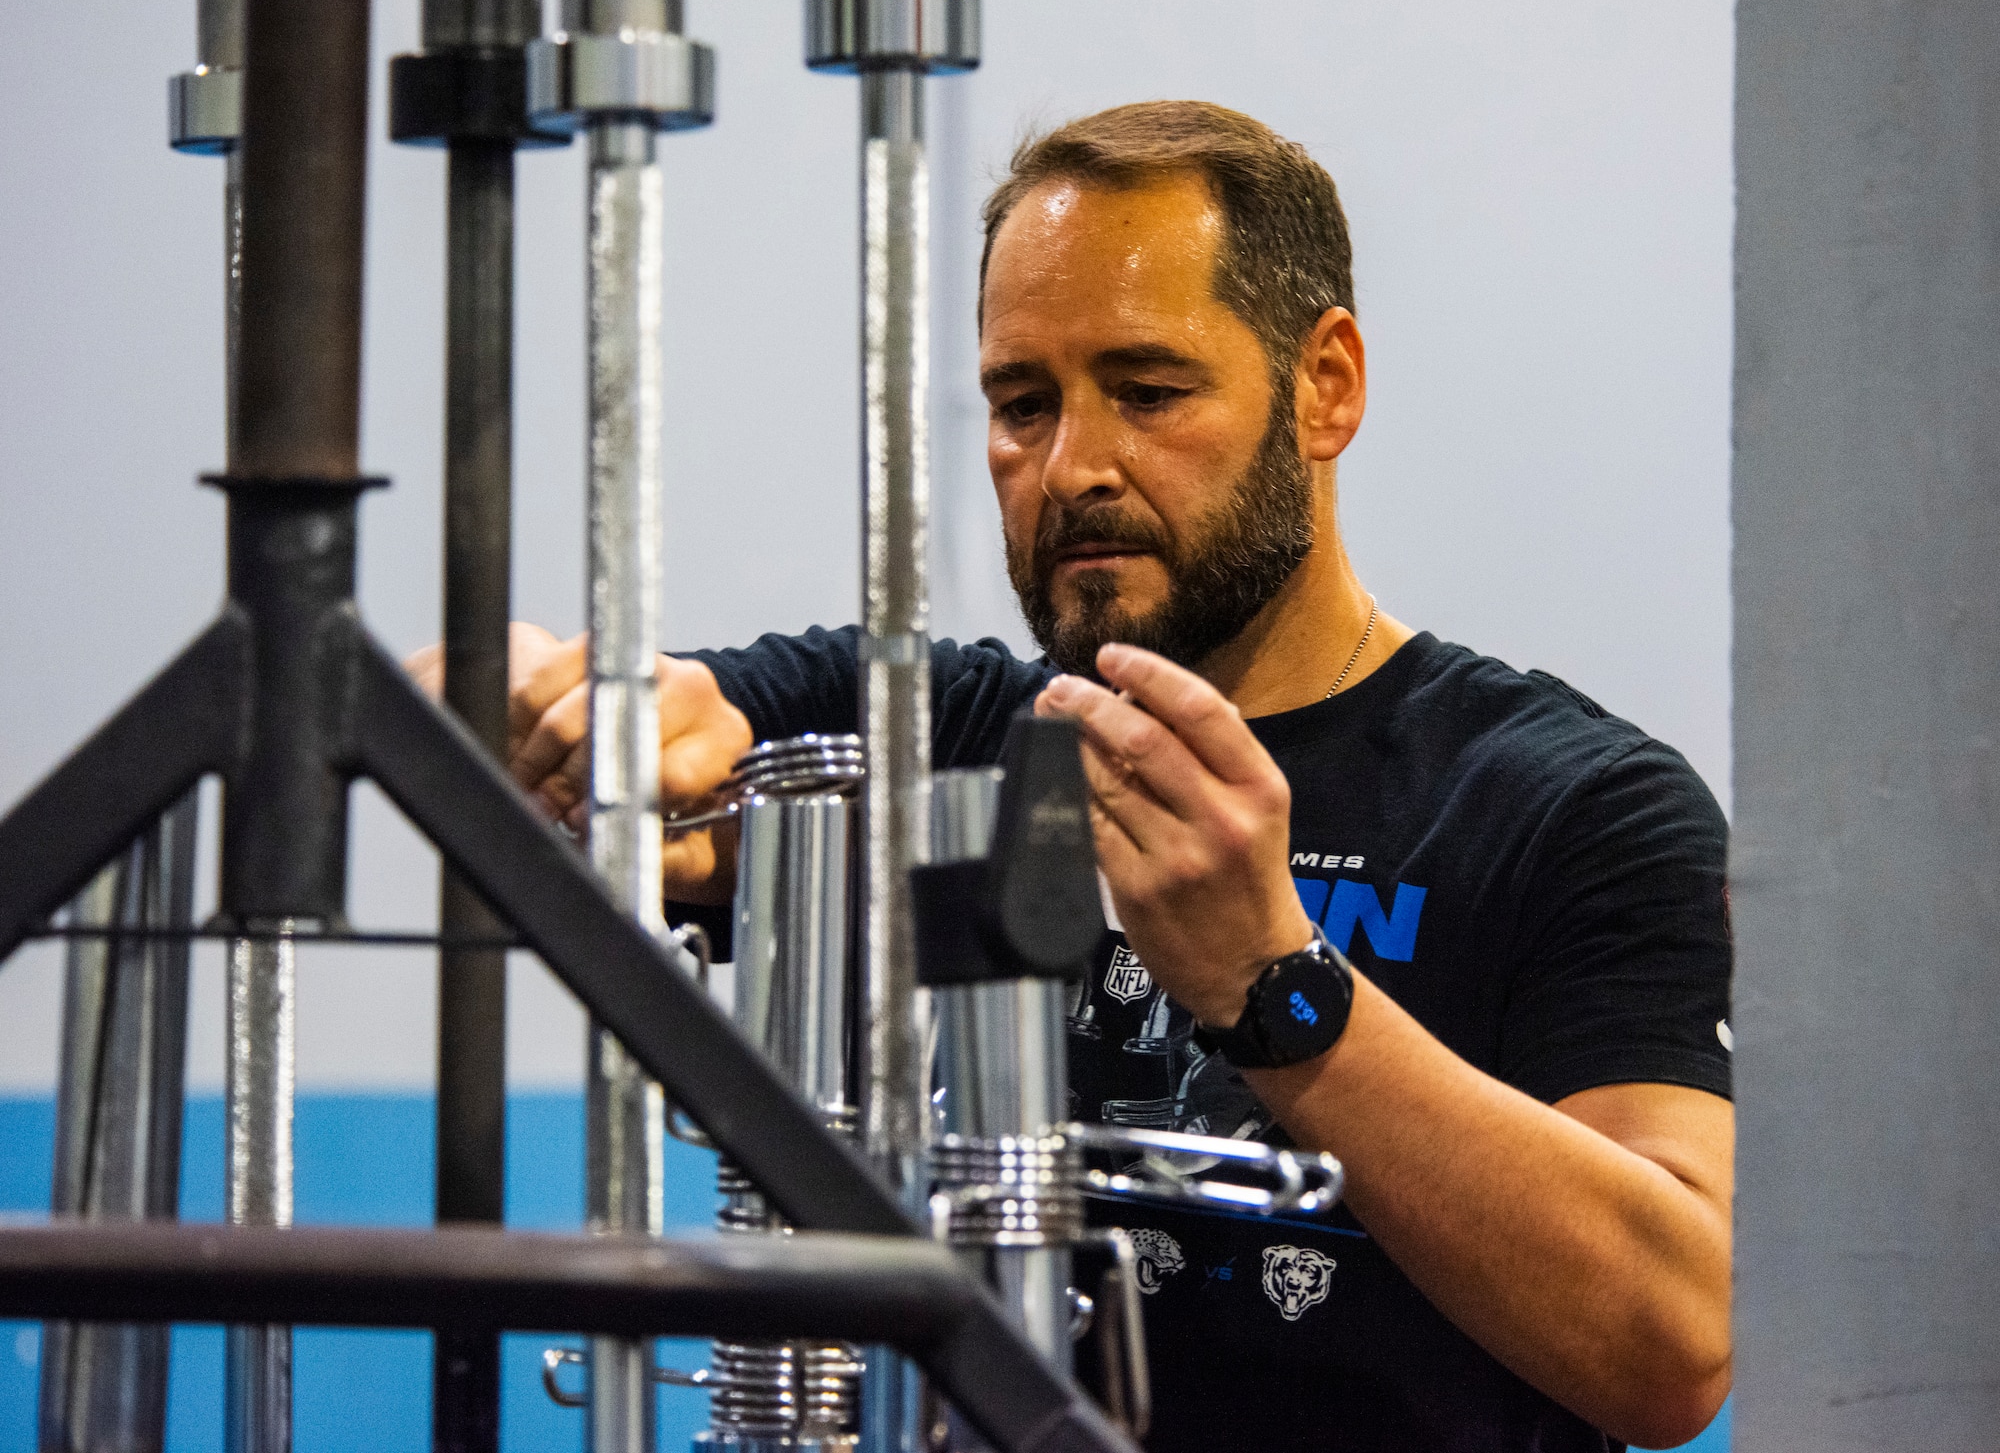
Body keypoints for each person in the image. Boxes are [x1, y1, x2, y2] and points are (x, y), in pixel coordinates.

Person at [426, 101, 1733, 1452]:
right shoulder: (947, 733)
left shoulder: (1569, 806)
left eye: (1149, 391)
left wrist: (1276, 987)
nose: (1073, 467)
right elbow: (662, 721)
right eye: (1021, 404)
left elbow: (1671, 1345)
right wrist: (575, 724)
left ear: (1325, 383)